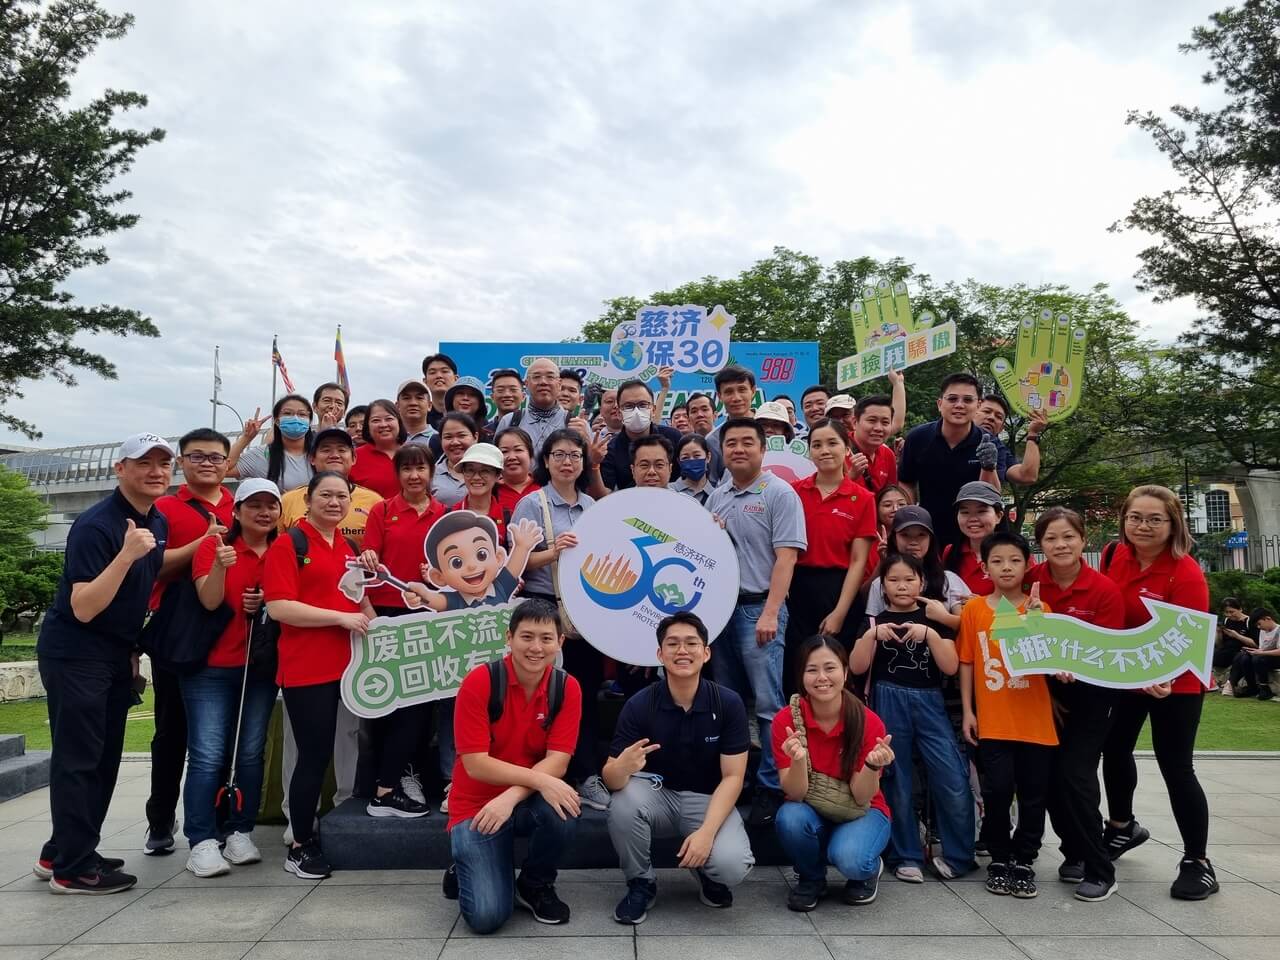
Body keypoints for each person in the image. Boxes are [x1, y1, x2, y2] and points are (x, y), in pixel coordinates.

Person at [35, 433, 172, 894]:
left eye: (163, 463)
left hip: (115, 653)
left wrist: (131, 650)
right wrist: (127, 555)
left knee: (103, 758)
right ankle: (72, 871)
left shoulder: (155, 520)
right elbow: (84, 606)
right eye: (144, 462)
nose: (156, 471)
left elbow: (137, 593)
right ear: (120, 468)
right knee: (79, 759)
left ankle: (63, 850)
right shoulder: (97, 525)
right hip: (77, 652)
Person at [1100, 485, 1217, 901]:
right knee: (1114, 750)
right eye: (1135, 517)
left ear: (1173, 524)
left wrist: (1164, 674)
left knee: (1176, 766)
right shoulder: (1114, 555)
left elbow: (1189, 636)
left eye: (1155, 519)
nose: (1143, 526)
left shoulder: (1184, 571)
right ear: (1124, 520)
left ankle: (1198, 861)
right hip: (1128, 673)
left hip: (1176, 681)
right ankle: (1122, 827)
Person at [604, 612, 754, 923]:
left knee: (731, 865)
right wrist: (623, 768)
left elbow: (733, 777)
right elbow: (611, 778)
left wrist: (707, 834)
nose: (682, 650)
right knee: (623, 803)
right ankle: (641, 882)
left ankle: (708, 873)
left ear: (706, 652)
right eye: (672, 644)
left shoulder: (728, 703)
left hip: (707, 799)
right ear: (660, 654)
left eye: (691, 643)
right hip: (657, 795)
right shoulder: (640, 704)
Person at [263, 471, 375, 879]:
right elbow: (279, 607)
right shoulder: (289, 544)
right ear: (307, 500)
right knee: (313, 756)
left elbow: (360, 603)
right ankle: (300, 844)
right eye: (325, 495)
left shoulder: (348, 546)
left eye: (342, 496)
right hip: (307, 668)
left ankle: (321, 831)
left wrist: (383, 628)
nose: (334, 502)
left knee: (348, 746)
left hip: (349, 667)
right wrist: (340, 618)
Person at [447, 600, 582, 933]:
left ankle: (534, 883)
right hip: (477, 803)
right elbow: (476, 764)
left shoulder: (566, 687)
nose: (536, 647)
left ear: (559, 642)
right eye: (527, 636)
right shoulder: (480, 682)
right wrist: (538, 781)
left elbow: (559, 760)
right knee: (487, 918)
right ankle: (467, 864)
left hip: (524, 799)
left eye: (546, 638)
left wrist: (511, 796)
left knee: (564, 808)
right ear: (509, 637)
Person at [705, 417, 806, 826]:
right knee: (728, 702)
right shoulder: (717, 496)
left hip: (759, 609)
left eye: (748, 442)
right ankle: (738, 778)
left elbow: (787, 557)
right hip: (721, 612)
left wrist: (771, 611)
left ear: (763, 449)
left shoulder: (779, 493)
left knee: (768, 704)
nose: (739, 449)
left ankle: (770, 784)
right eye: (731, 443)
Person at [850, 553, 975, 883]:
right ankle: (905, 855)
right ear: (882, 586)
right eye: (893, 580)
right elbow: (856, 667)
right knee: (896, 780)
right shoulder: (874, 622)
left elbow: (951, 666)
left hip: (930, 700)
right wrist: (871, 637)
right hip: (887, 700)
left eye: (909, 579)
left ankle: (960, 855)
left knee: (952, 776)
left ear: (922, 582)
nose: (902, 586)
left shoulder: (934, 616)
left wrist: (930, 634)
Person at [183, 478, 284, 877]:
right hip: (211, 667)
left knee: (251, 752)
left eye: (271, 505)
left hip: (259, 668)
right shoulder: (215, 546)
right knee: (208, 754)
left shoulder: (283, 549)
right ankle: (202, 839)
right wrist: (220, 569)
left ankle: (240, 830)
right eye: (254, 505)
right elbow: (209, 601)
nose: (263, 512)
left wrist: (265, 602)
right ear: (237, 511)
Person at [143, 428, 236, 856]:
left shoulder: (239, 504)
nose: (207, 464)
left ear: (227, 464)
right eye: (197, 456)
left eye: (216, 457)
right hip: (178, 631)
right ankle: (160, 819)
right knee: (172, 731)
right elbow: (151, 565)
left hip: (229, 631)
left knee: (221, 735)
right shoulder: (163, 508)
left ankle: (218, 817)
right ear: (182, 462)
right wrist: (204, 542)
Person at [1026, 506, 1126, 902]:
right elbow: (1016, 638)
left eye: (1068, 536)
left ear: (1083, 540)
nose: (1061, 545)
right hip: (1045, 695)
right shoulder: (1031, 581)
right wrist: (1049, 693)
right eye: (1051, 538)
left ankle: (1101, 869)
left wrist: (1075, 668)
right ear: (1040, 544)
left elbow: (1106, 653)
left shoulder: (1104, 590)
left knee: (1076, 774)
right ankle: (1075, 852)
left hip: (1094, 696)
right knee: (1049, 777)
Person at [509, 429, 608, 811]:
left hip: (585, 609)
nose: (568, 462)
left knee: (583, 694)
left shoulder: (592, 506)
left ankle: (586, 774)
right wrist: (553, 552)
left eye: (575, 455)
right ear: (546, 461)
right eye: (559, 455)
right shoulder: (532, 504)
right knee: (539, 693)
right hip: (541, 607)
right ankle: (534, 776)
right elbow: (515, 564)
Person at [957, 531, 1057, 899]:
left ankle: (1025, 859)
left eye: (1015, 560)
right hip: (994, 721)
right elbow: (967, 661)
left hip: (1035, 722)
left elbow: (1050, 662)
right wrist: (968, 711)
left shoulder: (1041, 610)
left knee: (1033, 795)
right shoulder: (974, 610)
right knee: (997, 791)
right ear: (984, 567)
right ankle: (999, 856)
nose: (1006, 567)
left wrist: (1036, 622)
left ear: (1028, 565)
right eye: (997, 561)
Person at [773, 635, 895, 912]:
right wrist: (798, 760)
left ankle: (868, 870)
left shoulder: (867, 721)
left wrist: (872, 766)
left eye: (830, 668)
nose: (822, 678)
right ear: (800, 675)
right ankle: (811, 878)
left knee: (852, 860)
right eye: (812, 670)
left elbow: (863, 797)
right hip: (812, 807)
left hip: (861, 810)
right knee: (789, 818)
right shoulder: (786, 720)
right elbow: (795, 794)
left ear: (845, 672)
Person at [357, 443, 446, 817]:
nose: (414, 475)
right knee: (391, 704)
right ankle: (388, 784)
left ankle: (403, 777)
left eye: (420, 468)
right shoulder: (382, 511)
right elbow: (368, 564)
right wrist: (368, 558)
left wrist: (434, 578)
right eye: (406, 468)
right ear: (397, 474)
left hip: (428, 615)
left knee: (421, 706)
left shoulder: (445, 515)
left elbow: (451, 570)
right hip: (388, 617)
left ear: (431, 472)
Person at [785, 418, 876, 695]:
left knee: (836, 669)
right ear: (809, 451)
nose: (824, 450)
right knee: (798, 668)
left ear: (847, 448)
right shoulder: (794, 492)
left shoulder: (862, 498)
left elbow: (858, 561)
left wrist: (839, 612)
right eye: (817, 445)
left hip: (839, 589)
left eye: (832, 443)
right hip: (798, 589)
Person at [898, 373, 1002, 548]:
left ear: (978, 405)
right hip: (929, 531)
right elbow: (906, 481)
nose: (959, 405)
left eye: (967, 400)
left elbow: (992, 496)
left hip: (974, 532)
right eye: (952, 399)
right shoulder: (918, 438)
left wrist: (988, 467)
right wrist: (911, 514)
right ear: (940, 403)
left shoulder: (989, 442)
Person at [278, 428, 383, 549]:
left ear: (354, 458)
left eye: (341, 450)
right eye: (326, 450)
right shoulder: (288, 501)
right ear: (312, 459)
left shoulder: (374, 501)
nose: (334, 455)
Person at [865, 507, 969, 629]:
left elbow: (969, 626)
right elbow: (871, 626)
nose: (913, 542)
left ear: (930, 539)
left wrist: (943, 617)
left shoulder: (949, 579)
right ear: (894, 538)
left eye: (921, 535)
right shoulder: (879, 584)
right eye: (905, 535)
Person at [600, 378, 681, 491]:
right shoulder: (610, 450)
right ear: (619, 413)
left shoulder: (674, 438)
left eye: (643, 405)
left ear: (653, 410)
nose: (636, 411)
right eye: (628, 406)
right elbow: (606, 492)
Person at [227, 395, 315, 492]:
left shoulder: (320, 453)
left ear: (310, 421)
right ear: (277, 421)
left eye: (302, 414)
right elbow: (224, 468)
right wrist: (246, 438)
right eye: (287, 413)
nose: (295, 418)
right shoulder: (262, 454)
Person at [494, 358, 569, 461]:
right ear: (527, 384)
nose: (543, 382)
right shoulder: (509, 421)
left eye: (550, 377)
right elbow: (496, 462)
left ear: (559, 384)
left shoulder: (574, 423)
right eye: (536, 377)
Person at [943, 481, 1005, 596]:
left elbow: (1024, 599)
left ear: (998, 516)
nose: (973, 518)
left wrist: (980, 604)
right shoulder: (950, 552)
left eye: (981, 511)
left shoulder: (1016, 553)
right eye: (965, 512)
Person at [977, 393, 1047, 485]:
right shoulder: (958, 432)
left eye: (999, 417)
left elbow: (1027, 476)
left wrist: (1033, 433)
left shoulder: (1000, 451)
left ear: (1001, 428)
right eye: (986, 411)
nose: (991, 418)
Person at [351, 399, 407, 498]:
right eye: (376, 420)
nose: (383, 425)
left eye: (389, 419)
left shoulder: (414, 453)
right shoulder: (353, 457)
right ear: (367, 426)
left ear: (399, 422)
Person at [453, 442, 508, 539]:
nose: (476, 477)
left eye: (485, 471)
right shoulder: (449, 515)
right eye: (470, 470)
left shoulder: (507, 517)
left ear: (498, 476)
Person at [850, 395, 899, 495]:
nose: (878, 428)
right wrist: (850, 477)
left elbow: (890, 495)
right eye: (872, 421)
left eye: (885, 422)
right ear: (855, 422)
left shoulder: (888, 454)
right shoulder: (837, 451)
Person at [432, 412, 479, 508]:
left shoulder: (491, 471)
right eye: (448, 437)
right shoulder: (430, 474)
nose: (455, 442)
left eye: (461, 435)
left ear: (475, 437)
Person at [1230, 609, 1279, 699]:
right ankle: (1251, 687)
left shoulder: (1278, 630)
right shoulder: (1263, 631)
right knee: (1243, 656)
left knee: (1258, 658)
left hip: (1276, 657)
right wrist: (1253, 651)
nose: (1259, 627)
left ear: (1267, 619)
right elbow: (1262, 648)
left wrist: (1261, 652)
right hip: (1266, 656)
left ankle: (1265, 688)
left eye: (1259, 624)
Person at [494, 427, 540, 515]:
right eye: (504, 451)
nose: (512, 457)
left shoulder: (545, 487)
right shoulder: (490, 492)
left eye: (518, 450)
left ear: (530, 456)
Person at [685, 392, 724, 483]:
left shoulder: (726, 438)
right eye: (694, 411)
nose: (700, 415)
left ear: (715, 415)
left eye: (704, 409)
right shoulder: (685, 446)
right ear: (688, 419)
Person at [671, 433, 713, 505]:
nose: (692, 460)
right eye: (685, 457)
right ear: (679, 462)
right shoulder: (669, 491)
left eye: (697, 455)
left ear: (708, 457)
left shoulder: (716, 496)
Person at [422, 353, 459, 432]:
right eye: (432, 372)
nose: (439, 376)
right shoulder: (421, 417)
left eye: (444, 371)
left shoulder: (466, 413)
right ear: (425, 381)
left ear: (456, 379)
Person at [1216, 597, 1254, 672]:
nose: (1229, 615)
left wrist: (1237, 636)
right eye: (1226, 612)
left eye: (1232, 612)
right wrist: (1219, 632)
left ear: (1240, 609)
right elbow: (1219, 645)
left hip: (1241, 652)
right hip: (1226, 651)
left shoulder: (1249, 622)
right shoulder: (1226, 621)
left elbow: (1256, 644)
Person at [396, 378, 436, 446]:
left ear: (429, 405)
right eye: (406, 398)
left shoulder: (440, 440)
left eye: (419, 398)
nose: (413, 403)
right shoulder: (389, 439)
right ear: (397, 406)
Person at [874, 484, 911, 555]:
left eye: (901, 504)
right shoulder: (868, 539)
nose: (895, 509)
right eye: (887, 505)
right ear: (876, 509)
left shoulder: (917, 537)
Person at [487, 369, 525, 434]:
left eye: (513, 390)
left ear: (523, 396)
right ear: (492, 397)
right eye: (500, 390)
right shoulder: (484, 433)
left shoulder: (532, 428)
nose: (507, 394)